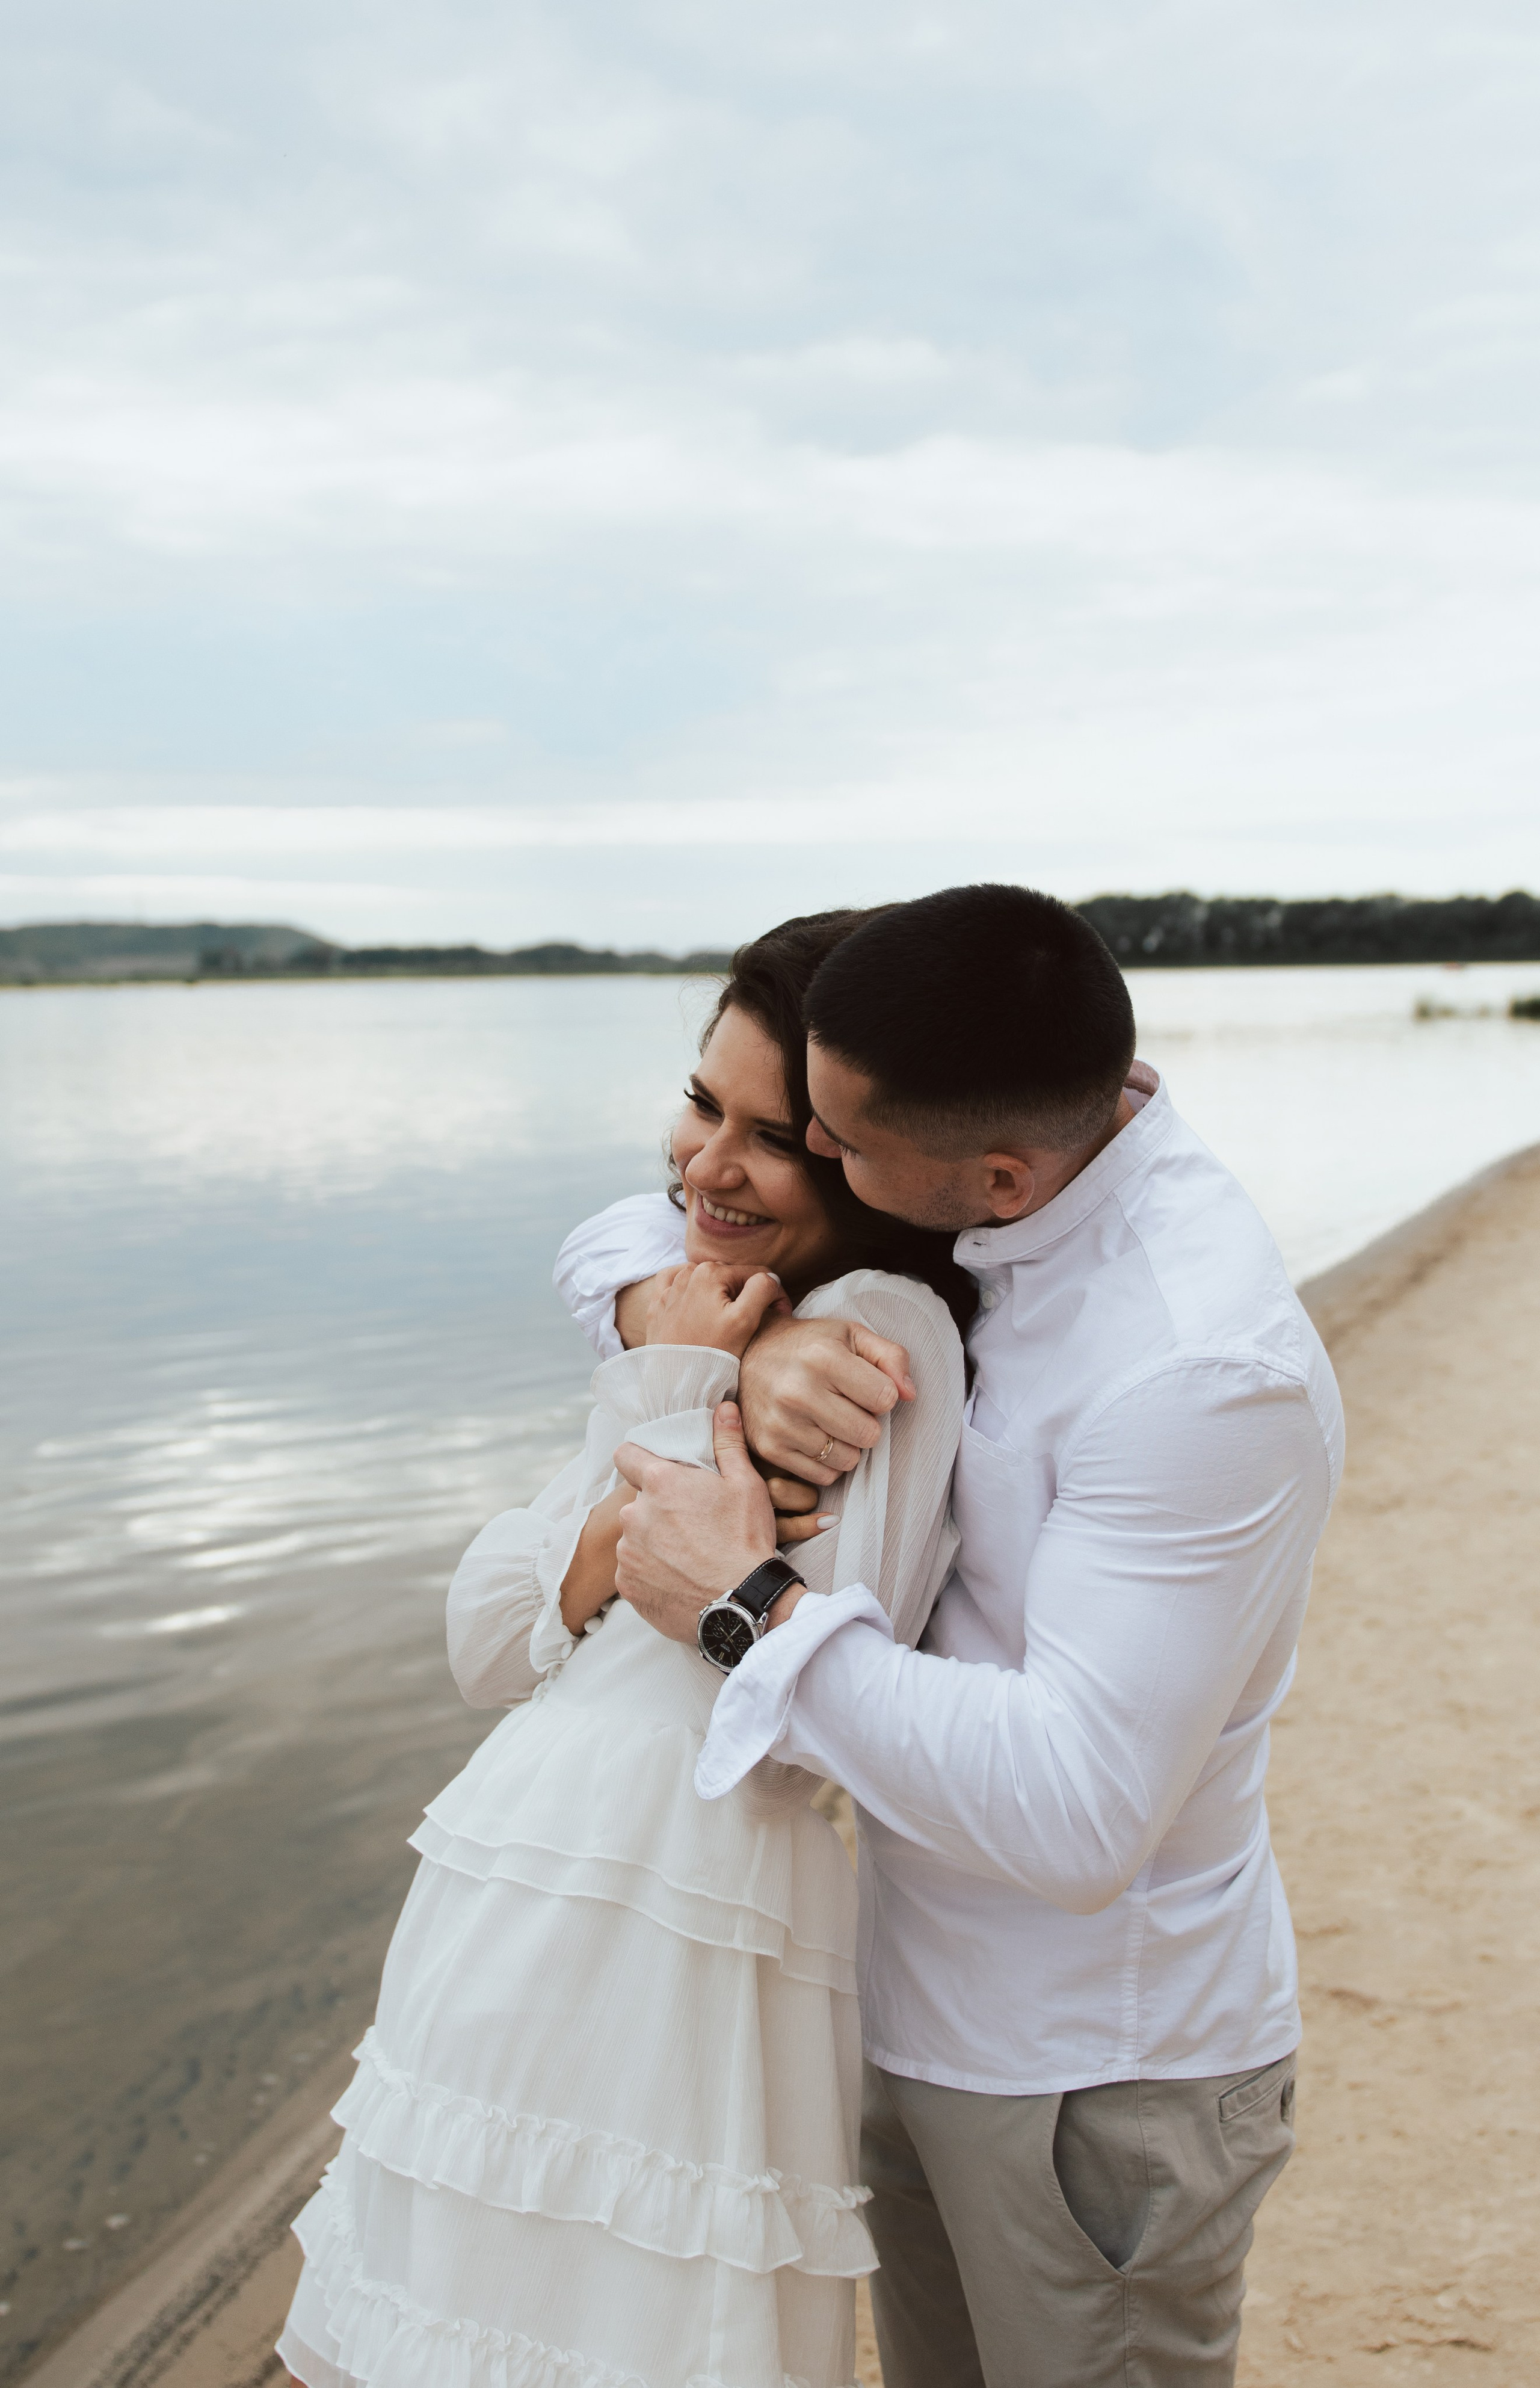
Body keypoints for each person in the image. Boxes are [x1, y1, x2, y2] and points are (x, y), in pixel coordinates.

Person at [562, 883, 1346, 2388]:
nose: (799, 1169)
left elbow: (1075, 1810)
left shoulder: (1193, 1374)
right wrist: (753, 1324)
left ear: (992, 1177)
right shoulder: (1011, 1131)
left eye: (827, 1142)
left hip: (1094, 2076)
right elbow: (637, 1222)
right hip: (905, 2004)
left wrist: (751, 1609)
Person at [276, 912, 973, 2388]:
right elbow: (480, 1632)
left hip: (682, 1926)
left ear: (864, 1149)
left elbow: (790, 1709)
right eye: (700, 1102)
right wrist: (682, 1361)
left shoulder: (884, 1336)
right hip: (514, 1898)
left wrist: (677, 1379)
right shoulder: (715, 1311)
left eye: (769, 1135)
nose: (705, 1163)